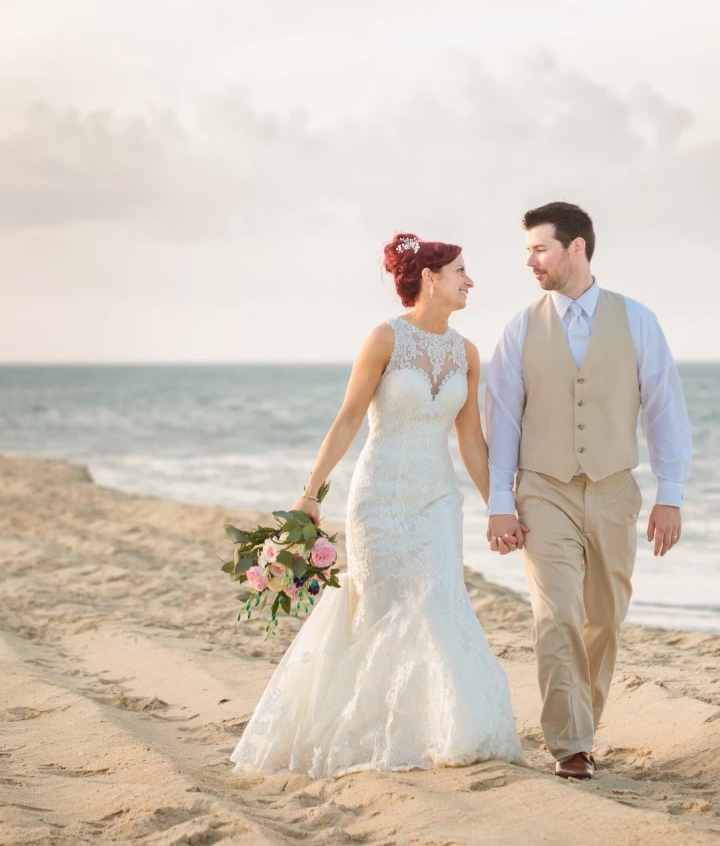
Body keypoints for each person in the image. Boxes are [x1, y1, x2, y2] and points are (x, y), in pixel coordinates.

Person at [231, 233, 523, 778]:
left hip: (437, 500)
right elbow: (347, 420)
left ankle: (451, 731)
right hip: (380, 499)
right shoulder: (384, 339)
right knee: (384, 610)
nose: (470, 281)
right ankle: (373, 733)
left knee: (437, 601)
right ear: (431, 278)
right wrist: (311, 495)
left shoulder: (467, 353)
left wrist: (498, 506)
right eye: (461, 270)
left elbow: (471, 441)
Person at [484, 201, 692, 780]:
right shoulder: (520, 327)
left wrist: (669, 493)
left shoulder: (639, 321)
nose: (530, 260)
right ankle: (570, 746)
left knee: (604, 617)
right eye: (527, 250)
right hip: (543, 490)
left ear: (576, 248)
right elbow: (501, 422)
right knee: (556, 617)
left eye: (539, 248)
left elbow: (664, 409)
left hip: (613, 489)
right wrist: (501, 503)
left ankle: (584, 726)